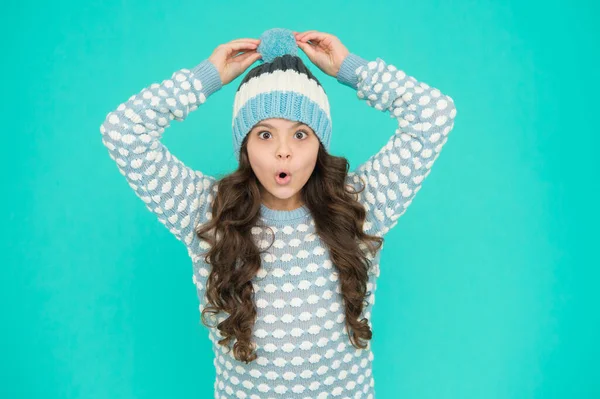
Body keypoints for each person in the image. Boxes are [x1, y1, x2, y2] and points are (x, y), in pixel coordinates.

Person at [100, 27, 456, 399]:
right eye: (265, 134)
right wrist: (204, 80)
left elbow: (433, 113)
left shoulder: (360, 206)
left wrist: (351, 69)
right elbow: (123, 130)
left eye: (300, 134)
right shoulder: (207, 214)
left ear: (320, 144)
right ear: (245, 146)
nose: (283, 152)